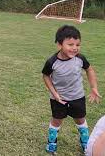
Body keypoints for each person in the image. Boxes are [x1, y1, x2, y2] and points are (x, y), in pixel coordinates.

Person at [42, 25, 101, 154]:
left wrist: (94, 87)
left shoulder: (80, 58)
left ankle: (85, 142)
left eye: (77, 44)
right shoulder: (52, 62)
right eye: (70, 44)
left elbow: (89, 69)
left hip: (77, 97)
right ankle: (52, 142)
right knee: (56, 120)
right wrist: (54, 93)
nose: (74, 48)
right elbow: (45, 76)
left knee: (80, 120)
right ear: (59, 44)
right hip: (59, 99)